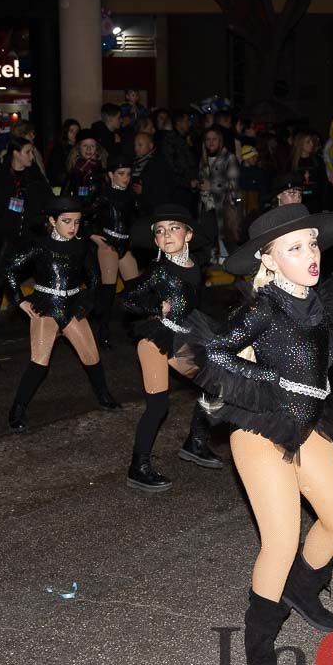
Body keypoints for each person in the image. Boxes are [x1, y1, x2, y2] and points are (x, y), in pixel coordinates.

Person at [189, 204, 333, 665]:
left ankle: (301, 590)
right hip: (261, 429)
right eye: (295, 247)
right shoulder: (262, 307)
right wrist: (269, 380)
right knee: (281, 540)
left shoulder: (320, 301)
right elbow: (208, 351)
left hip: (304, 427)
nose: (311, 254)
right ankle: (259, 635)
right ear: (269, 260)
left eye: (312, 243)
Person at [119, 205, 221, 492]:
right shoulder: (158, 269)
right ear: (155, 241)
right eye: (160, 231)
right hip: (156, 340)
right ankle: (138, 468)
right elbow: (127, 300)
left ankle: (196, 442)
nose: (166, 235)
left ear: (188, 235)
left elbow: (194, 305)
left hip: (184, 335)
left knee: (215, 387)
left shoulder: (195, 267)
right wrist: (154, 306)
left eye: (173, 228)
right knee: (158, 405)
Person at [4, 196, 117, 433]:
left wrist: (87, 303)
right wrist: (20, 301)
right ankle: (17, 409)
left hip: (73, 306)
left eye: (76, 222)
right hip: (46, 307)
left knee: (92, 357)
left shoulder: (82, 245)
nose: (72, 227)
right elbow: (10, 270)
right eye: (66, 221)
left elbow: (95, 279)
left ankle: (104, 396)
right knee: (39, 362)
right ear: (52, 220)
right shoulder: (39, 245)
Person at [0, 137, 53, 326]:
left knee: (42, 274)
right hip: (7, 237)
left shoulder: (34, 176)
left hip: (32, 235)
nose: (31, 156)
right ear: (16, 153)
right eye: (27, 152)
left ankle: (43, 312)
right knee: (0, 275)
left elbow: (47, 200)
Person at [85, 155, 139, 348]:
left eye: (128, 174)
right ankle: (102, 331)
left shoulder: (132, 195)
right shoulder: (104, 195)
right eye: (121, 174)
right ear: (111, 175)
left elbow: (136, 221)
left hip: (126, 244)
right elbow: (83, 216)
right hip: (108, 243)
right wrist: (92, 236)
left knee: (135, 289)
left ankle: (135, 328)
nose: (125, 178)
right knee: (108, 291)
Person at [198, 127, 240, 262]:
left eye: (214, 139)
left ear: (220, 141)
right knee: (208, 242)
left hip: (224, 207)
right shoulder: (203, 160)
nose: (211, 142)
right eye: (207, 139)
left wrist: (212, 186)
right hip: (207, 208)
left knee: (227, 244)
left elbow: (234, 184)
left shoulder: (229, 158)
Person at [62, 130, 107, 203]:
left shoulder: (102, 168)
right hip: (78, 210)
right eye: (85, 145)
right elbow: (66, 195)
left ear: (97, 148)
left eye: (92, 146)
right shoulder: (74, 169)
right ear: (78, 148)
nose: (88, 149)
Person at [46, 118, 80, 188]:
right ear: (65, 132)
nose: (75, 134)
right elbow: (55, 172)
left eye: (77, 131)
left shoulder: (79, 147)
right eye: (71, 131)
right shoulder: (59, 149)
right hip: (60, 186)